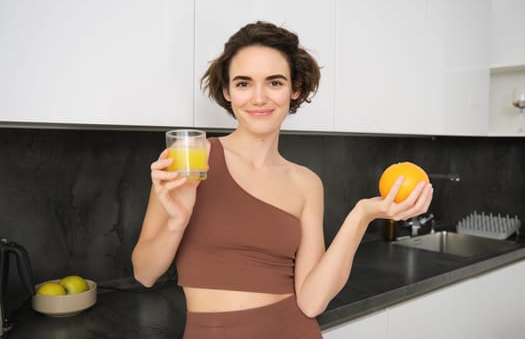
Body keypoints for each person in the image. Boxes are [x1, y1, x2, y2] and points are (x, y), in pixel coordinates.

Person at [131, 21, 433, 338]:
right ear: (227, 91)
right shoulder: (191, 159)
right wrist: (177, 222)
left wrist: (362, 215)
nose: (259, 98)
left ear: (295, 88)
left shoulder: (306, 183)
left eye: (274, 83)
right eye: (244, 83)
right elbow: (144, 273)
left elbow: (312, 301)